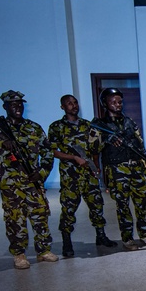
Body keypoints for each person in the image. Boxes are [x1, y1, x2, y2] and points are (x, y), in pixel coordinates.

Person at [0, 90, 58, 269]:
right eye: (13, 105)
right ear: (5, 107)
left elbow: (47, 151)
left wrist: (42, 172)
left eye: (20, 104)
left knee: (40, 215)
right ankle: (19, 254)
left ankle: (43, 250)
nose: (18, 107)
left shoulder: (33, 128)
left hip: (32, 181)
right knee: (14, 219)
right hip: (10, 183)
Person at [48, 94, 116, 256]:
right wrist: (73, 158)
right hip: (70, 176)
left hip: (89, 174)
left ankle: (101, 236)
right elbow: (53, 152)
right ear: (62, 107)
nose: (73, 105)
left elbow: (95, 150)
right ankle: (67, 242)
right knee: (69, 209)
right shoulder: (56, 127)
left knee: (97, 206)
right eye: (69, 103)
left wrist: (96, 167)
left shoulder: (88, 125)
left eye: (75, 102)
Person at [92, 88, 146, 250]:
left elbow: (140, 146)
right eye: (113, 101)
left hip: (136, 168)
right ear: (104, 104)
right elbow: (92, 149)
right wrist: (106, 139)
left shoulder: (129, 122)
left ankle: (144, 233)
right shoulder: (99, 125)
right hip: (116, 170)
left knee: (141, 202)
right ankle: (127, 237)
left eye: (119, 101)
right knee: (123, 205)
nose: (117, 105)